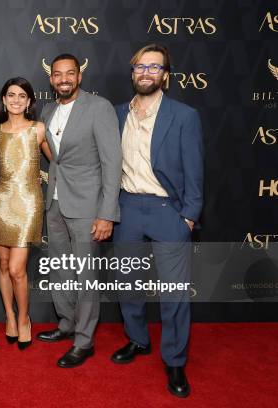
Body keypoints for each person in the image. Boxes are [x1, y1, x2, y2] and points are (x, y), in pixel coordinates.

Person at [111, 43, 203, 399]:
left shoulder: (184, 115)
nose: (146, 73)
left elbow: (195, 174)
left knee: (174, 293)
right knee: (129, 284)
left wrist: (188, 219)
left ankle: (175, 360)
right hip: (128, 208)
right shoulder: (118, 114)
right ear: (132, 72)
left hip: (168, 213)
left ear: (165, 74)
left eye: (154, 67)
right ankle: (137, 339)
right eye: (140, 67)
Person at [36, 53, 122, 368]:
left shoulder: (99, 108)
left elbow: (113, 163)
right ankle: (66, 324)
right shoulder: (47, 110)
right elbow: (54, 157)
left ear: (79, 77)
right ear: (51, 79)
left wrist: (106, 213)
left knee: (86, 275)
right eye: (57, 74)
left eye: (69, 73)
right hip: (55, 202)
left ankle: (84, 341)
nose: (63, 79)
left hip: (88, 206)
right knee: (60, 269)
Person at [0, 77, 51, 350]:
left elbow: (59, 162)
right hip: (1, 203)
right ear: (4, 100)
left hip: (28, 204)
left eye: (22, 96)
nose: (16, 100)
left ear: (29, 101)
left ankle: (25, 318)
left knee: (17, 269)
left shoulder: (38, 130)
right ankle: (10, 317)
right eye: (11, 95)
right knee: (3, 266)